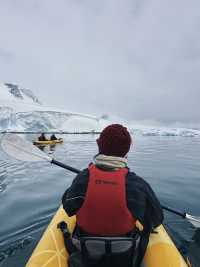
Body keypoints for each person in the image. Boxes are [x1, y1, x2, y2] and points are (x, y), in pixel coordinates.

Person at [62, 124, 164, 267]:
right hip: (124, 253)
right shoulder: (137, 185)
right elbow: (156, 219)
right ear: (126, 152)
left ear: (100, 147)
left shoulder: (82, 179)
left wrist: (82, 179)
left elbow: (67, 207)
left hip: (87, 251)